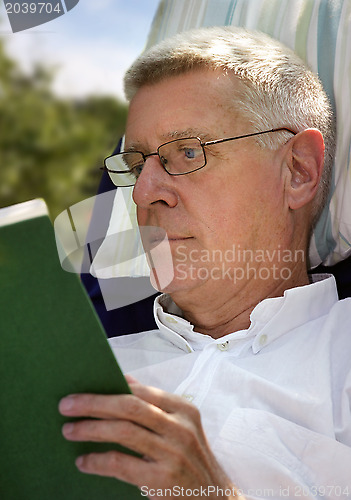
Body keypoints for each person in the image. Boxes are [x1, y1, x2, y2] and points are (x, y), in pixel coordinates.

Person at [59, 27, 351, 499]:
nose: (143, 193)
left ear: (298, 170)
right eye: (136, 166)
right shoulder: (78, 370)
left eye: (188, 152)